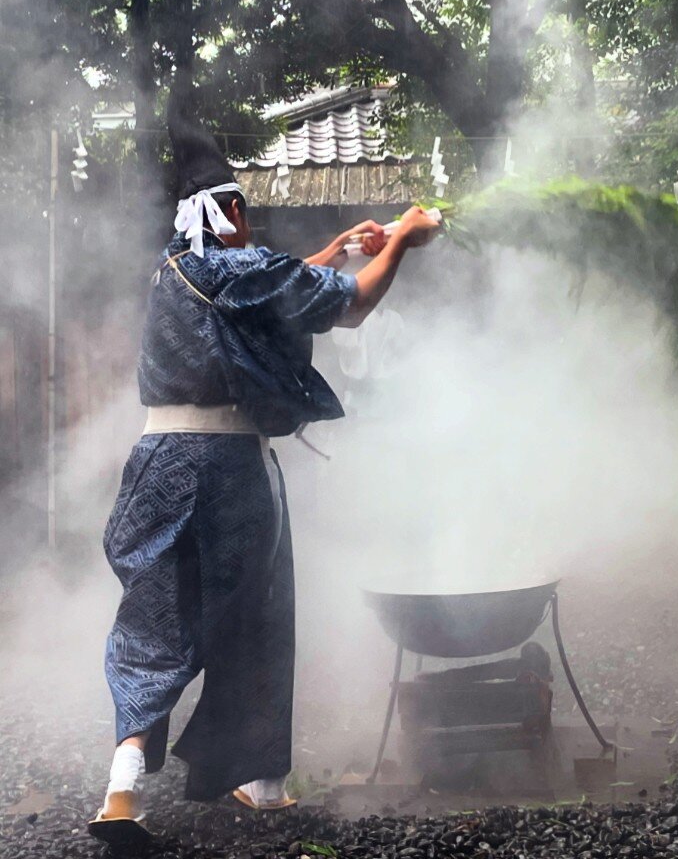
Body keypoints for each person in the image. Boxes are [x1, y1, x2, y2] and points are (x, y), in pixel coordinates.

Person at [88, 108, 439, 847]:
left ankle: (122, 788)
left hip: (155, 464)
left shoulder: (170, 272)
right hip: (229, 471)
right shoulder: (241, 264)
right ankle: (262, 782)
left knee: (154, 618)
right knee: (258, 614)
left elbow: (266, 297)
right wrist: (404, 238)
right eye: (245, 214)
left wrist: (337, 249)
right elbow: (349, 309)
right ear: (233, 212)